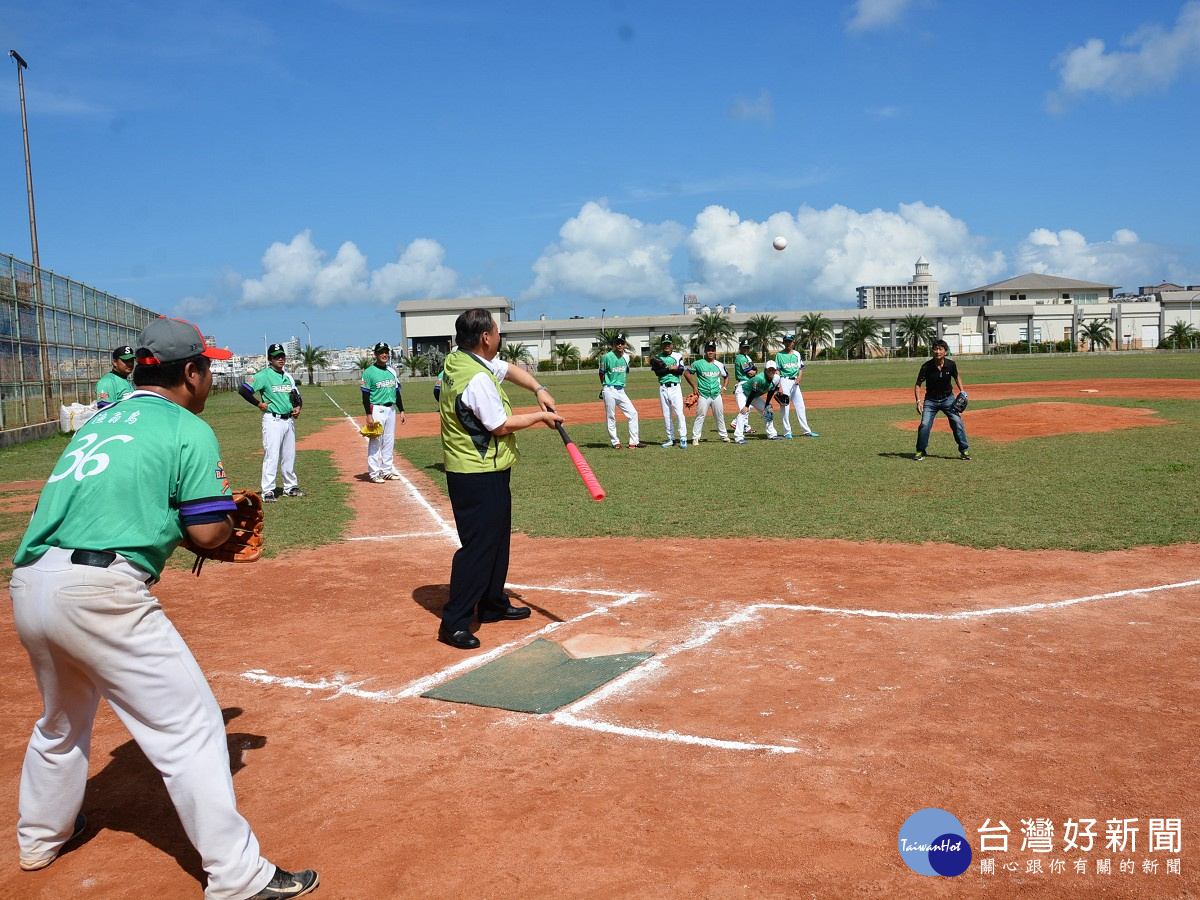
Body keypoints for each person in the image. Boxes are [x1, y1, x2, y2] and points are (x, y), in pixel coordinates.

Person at [8, 316, 318, 899]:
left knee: (60, 721)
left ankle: (39, 837)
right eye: (209, 367)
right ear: (192, 373)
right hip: (101, 593)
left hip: (31, 582)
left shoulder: (100, 420)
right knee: (193, 729)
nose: (211, 377)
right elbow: (206, 533)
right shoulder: (186, 427)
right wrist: (222, 524)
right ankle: (238, 876)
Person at [437, 308, 562, 650]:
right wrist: (540, 417)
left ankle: (491, 604)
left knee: (497, 541)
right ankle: (455, 621)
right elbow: (500, 425)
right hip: (475, 472)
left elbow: (506, 369)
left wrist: (539, 388)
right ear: (485, 338)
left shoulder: (461, 360)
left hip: (486, 469)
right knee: (478, 548)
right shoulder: (475, 377)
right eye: (496, 331)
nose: (499, 336)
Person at [239, 343, 305, 502]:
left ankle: (291, 487)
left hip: (288, 420)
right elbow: (244, 390)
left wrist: (297, 407)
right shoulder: (263, 375)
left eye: (282, 356)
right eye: (276, 356)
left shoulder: (287, 376)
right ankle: (268, 491)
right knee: (272, 455)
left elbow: (296, 396)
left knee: (289, 455)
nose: (280, 359)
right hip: (272, 420)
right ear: (270, 359)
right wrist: (258, 404)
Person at [914, 339, 970, 461]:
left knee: (957, 422)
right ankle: (920, 451)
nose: (937, 351)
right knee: (924, 424)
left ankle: (964, 450)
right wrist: (918, 401)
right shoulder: (926, 367)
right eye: (935, 349)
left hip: (948, 399)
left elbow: (956, 376)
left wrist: (962, 391)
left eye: (940, 349)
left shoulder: (951, 364)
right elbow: (918, 384)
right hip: (931, 401)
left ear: (945, 351)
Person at [361, 342, 406, 483]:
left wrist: (402, 410)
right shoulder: (369, 372)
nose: (384, 355)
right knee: (376, 440)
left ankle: (387, 470)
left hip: (391, 409)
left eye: (386, 352)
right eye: (381, 352)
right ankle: (374, 473)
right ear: (376, 355)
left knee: (389, 441)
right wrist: (368, 415)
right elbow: (365, 396)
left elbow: (397, 393)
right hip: (377, 409)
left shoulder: (392, 371)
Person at [774, 332, 820, 439]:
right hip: (784, 381)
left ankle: (806, 431)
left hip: (795, 383)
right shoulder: (779, 355)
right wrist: (779, 386)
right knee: (785, 407)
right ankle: (787, 432)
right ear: (784, 342)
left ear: (793, 342)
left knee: (801, 406)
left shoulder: (797, 354)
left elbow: (800, 368)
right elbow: (777, 371)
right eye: (786, 341)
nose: (788, 343)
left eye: (790, 341)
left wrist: (799, 378)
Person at [598, 333, 640, 449]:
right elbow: (601, 373)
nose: (619, 345)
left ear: (625, 345)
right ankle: (615, 442)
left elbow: (624, 373)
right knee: (611, 416)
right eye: (617, 343)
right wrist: (604, 387)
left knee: (633, 413)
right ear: (614, 344)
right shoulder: (607, 357)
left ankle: (634, 442)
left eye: (622, 343)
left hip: (621, 390)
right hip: (609, 389)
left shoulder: (627, 357)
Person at [688, 342, 730, 443]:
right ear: (705, 351)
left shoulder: (719, 365)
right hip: (703, 394)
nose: (710, 352)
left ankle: (724, 436)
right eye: (708, 350)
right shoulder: (698, 363)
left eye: (712, 350)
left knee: (719, 416)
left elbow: (726, 376)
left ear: (715, 352)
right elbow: (687, 373)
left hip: (716, 394)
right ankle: (695, 437)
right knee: (700, 415)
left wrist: (724, 388)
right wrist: (694, 386)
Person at [733, 360, 782, 443]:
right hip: (743, 392)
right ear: (765, 370)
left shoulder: (776, 378)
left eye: (773, 370)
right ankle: (739, 437)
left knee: (768, 411)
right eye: (769, 369)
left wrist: (767, 405)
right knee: (744, 412)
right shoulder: (759, 378)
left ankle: (772, 434)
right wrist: (747, 406)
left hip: (755, 396)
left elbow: (771, 391)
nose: (771, 372)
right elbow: (753, 392)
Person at [654, 334, 689, 449]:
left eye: (668, 343)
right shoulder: (657, 357)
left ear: (672, 345)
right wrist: (670, 368)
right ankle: (671, 439)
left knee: (679, 412)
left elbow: (680, 371)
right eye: (664, 344)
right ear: (661, 345)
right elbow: (658, 373)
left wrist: (666, 369)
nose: (666, 346)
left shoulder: (677, 355)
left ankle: (683, 437)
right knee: (666, 414)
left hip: (675, 387)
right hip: (663, 387)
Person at [733, 340, 758, 434]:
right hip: (744, 383)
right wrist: (755, 370)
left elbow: (753, 369)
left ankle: (743, 425)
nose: (746, 349)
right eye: (744, 347)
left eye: (747, 347)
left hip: (748, 383)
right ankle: (741, 425)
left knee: (749, 406)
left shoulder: (746, 357)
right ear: (740, 348)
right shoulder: (741, 358)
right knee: (746, 407)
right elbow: (750, 372)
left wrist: (754, 369)